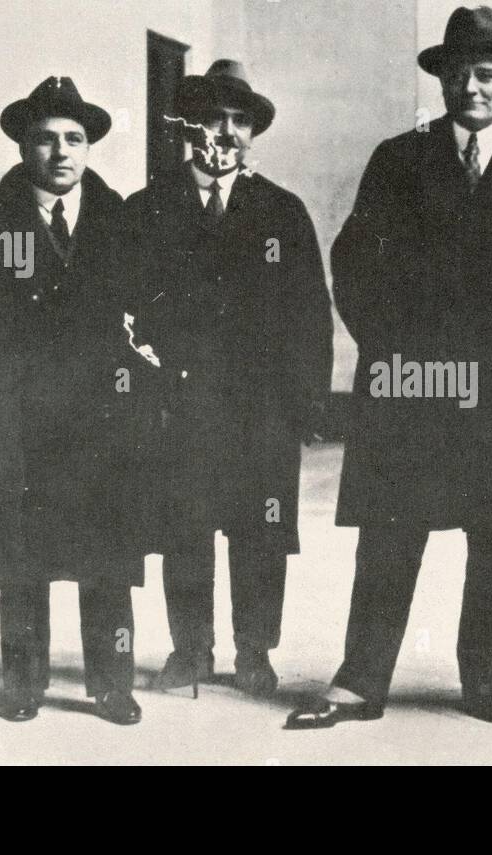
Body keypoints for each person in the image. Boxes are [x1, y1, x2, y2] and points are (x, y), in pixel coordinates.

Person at [285, 5, 492, 730]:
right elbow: (353, 260)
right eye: (458, 74)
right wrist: (391, 350)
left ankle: (481, 677)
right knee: (392, 531)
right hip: (413, 383)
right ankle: (360, 680)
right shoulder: (401, 158)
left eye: (486, 74)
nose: (471, 88)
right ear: (441, 82)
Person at [0, 77, 149, 726]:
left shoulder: (124, 223)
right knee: (19, 558)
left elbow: (156, 315)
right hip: (17, 419)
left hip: (101, 420)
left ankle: (112, 683)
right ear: (22, 146)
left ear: (88, 147)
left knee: (108, 558)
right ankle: (23, 682)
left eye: (74, 138)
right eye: (45, 139)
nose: (61, 151)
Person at [128, 60, 332, 697]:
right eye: (212, 118)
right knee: (184, 527)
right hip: (179, 402)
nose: (225, 132)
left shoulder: (282, 211)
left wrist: (307, 406)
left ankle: (254, 651)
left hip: (261, 408)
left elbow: (310, 313)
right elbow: (126, 309)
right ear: (189, 128)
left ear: (252, 133)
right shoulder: (147, 208)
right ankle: (190, 649)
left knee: (260, 531)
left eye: (239, 121)